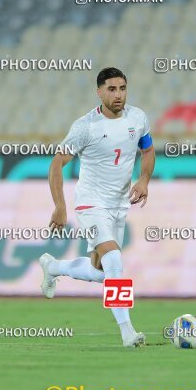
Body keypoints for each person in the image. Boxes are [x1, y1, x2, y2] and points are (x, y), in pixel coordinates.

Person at [39, 67, 155, 347]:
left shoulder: (138, 118)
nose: (118, 95)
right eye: (112, 89)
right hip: (91, 202)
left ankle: (53, 266)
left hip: (119, 204)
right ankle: (127, 332)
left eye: (123, 88)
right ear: (99, 91)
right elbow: (57, 163)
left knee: (102, 272)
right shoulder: (85, 126)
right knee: (115, 261)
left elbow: (148, 150)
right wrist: (60, 206)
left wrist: (143, 180)